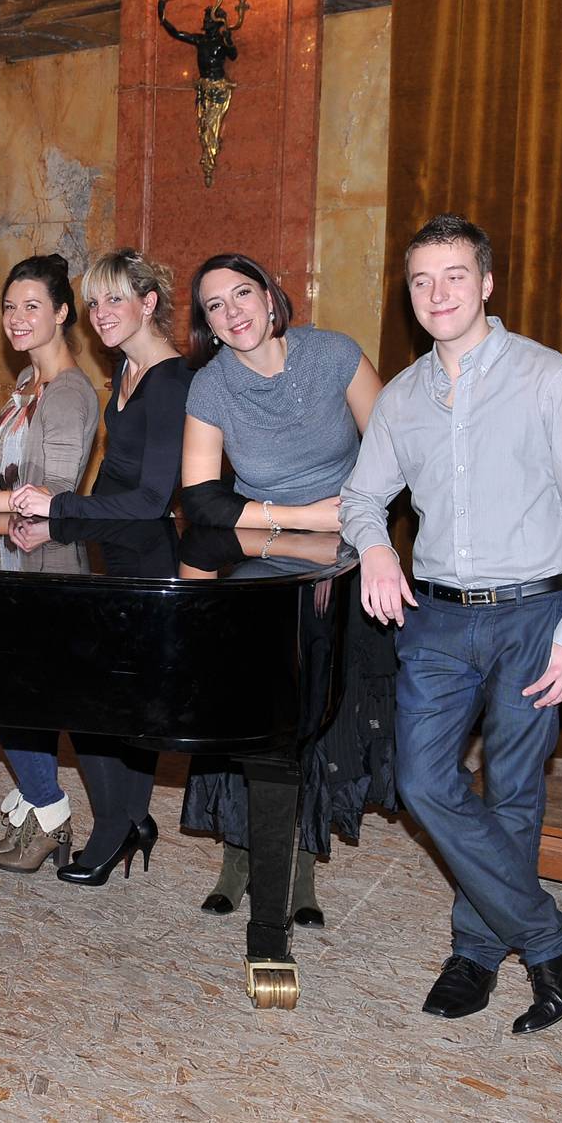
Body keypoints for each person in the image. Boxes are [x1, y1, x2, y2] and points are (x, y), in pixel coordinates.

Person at [341, 213, 562, 1035]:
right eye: (421, 281)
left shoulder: (549, 378)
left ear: (486, 283)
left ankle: (473, 949)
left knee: (512, 790)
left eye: (454, 276)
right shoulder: (400, 397)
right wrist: (375, 550)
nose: (437, 294)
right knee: (422, 782)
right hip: (434, 617)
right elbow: (361, 498)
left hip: (533, 614)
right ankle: (554, 940)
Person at [176, 251, 390, 928]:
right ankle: (237, 854)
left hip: (347, 555)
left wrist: (352, 518)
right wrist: (299, 518)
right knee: (244, 703)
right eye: (214, 305)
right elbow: (200, 500)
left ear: (271, 297)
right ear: (207, 324)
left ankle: (299, 862)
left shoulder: (334, 355)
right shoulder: (210, 387)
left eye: (242, 293)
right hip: (264, 551)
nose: (232, 311)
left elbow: (395, 451)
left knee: (315, 711)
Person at [10, 248, 193, 887]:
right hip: (111, 550)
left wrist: (62, 508)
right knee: (113, 701)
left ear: (149, 302)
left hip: (146, 560)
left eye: (116, 298)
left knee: (100, 703)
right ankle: (132, 820)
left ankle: (115, 826)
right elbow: (116, 475)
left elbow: (152, 497)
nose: (101, 313)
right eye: (94, 302)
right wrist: (68, 522)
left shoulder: (171, 380)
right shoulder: (127, 369)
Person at [0, 253, 99, 873]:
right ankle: (37, 805)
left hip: (47, 567)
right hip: (13, 558)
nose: (17, 317)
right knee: (12, 695)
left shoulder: (69, 392)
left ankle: (49, 812)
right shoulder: (30, 382)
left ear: (62, 313)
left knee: (17, 695)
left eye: (33, 306)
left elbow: (55, 489)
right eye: (9, 306)